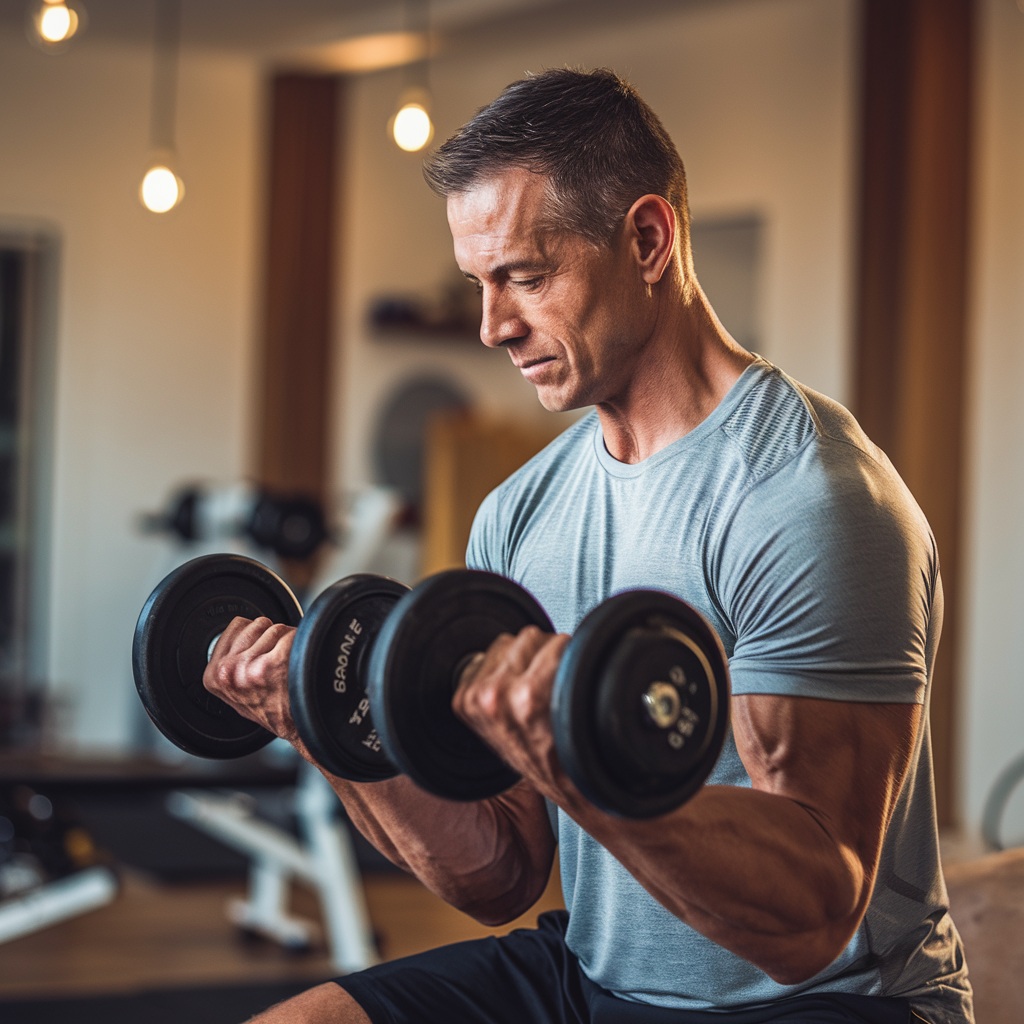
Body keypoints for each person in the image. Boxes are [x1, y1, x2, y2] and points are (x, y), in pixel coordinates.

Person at [203, 68, 974, 1023]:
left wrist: (587, 769)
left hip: (825, 1002)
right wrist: (322, 721)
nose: (493, 326)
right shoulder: (519, 513)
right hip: (597, 980)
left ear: (648, 239)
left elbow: (813, 914)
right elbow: (501, 869)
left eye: (526, 277)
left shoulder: (808, 499)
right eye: (479, 286)